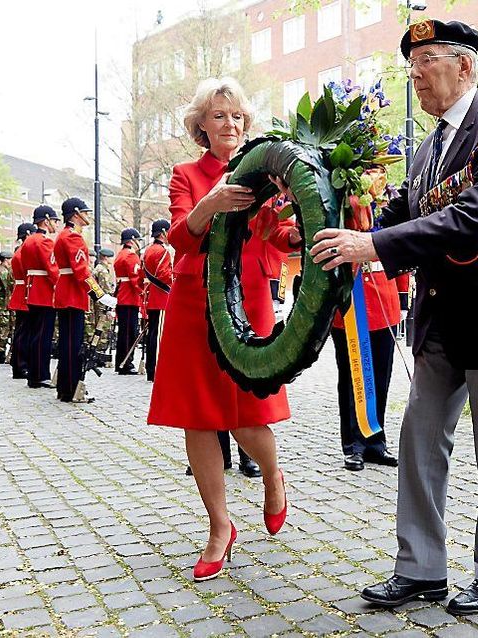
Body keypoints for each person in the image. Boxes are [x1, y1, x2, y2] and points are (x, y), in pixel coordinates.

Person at [303, 20, 478, 615]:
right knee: (419, 440)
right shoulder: (425, 149)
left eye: (427, 62)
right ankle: (420, 569)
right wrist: (346, 230)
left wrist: (377, 248)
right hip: (441, 319)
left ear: (465, 66)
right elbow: (397, 215)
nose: (415, 75)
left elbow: (471, 216)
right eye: (410, 66)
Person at [147, 77, 297, 582]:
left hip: (249, 296)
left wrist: (302, 227)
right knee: (198, 416)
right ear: (200, 126)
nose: (229, 124)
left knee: (247, 413)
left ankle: (273, 478)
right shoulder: (185, 173)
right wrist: (209, 202)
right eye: (217, 116)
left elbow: (278, 237)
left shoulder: (264, 169)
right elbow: (180, 240)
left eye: (236, 116)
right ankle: (219, 527)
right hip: (193, 300)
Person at [331, 265, 408, 471]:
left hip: (384, 298)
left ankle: (375, 442)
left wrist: (402, 298)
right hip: (349, 300)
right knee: (351, 379)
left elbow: (399, 247)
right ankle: (353, 446)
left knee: (381, 378)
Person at [53, 197, 115, 403]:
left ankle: (65, 387)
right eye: (85, 213)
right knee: (72, 344)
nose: (88, 216)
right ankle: (70, 389)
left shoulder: (65, 235)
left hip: (66, 291)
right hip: (72, 293)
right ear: (76, 214)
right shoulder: (73, 237)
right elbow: (82, 272)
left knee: (67, 343)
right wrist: (100, 295)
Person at [21, 205, 60, 388]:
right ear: (46, 220)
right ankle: (40, 374)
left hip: (32, 289)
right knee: (43, 335)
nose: (56, 224)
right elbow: (52, 269)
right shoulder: (45, 241)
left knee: (34, 333)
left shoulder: (29, 240)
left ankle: (33, 373)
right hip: (44, 292)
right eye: (54, 220)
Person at [142, 219, 174, 382]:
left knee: (152, 333)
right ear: (163, 233)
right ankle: (155, 370)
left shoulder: (148, 249)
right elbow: (164, 275)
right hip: (162, 296)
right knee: (158, 336)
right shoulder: (163, 251)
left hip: (152, 296)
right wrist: (175, 277)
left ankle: (150, 368)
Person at [8, 224, 37, 378]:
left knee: (23, 331)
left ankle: (19, 364)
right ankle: (21, 365)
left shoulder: (20, 251)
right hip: (24, 291)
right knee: (24, 333)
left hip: (22, 291)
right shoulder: (22, 252)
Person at [114, 228, 143, 374]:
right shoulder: (131, 256)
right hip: (130, 297)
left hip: (122, 296)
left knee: (123, 332)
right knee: (129, 333)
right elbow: (135, 278)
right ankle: (126, 363)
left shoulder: (120, 254)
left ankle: (120, 362)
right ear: (132, 240)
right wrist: (142, 292)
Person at [86, 248, 116, 357]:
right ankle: (99, 351)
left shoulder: (99, 268)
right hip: (101, 302)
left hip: (96, 301)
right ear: (106, 257)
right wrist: (110, 302)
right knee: (102, 327)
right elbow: (105, 288)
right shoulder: (102, 270)